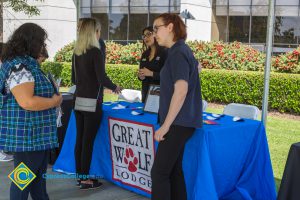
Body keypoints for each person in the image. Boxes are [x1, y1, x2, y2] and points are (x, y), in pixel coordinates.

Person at [0, 23, 62, 200]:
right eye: (41, 42)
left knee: (37, 181)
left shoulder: (25, 64)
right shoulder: (20, 67)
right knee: (22, 182)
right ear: (31, 42)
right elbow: (27, 101)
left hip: (35, 136)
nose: (43, 47)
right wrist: (54, 101)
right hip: (28, 136)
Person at [150, 13, 203, 200]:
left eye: (157, 28)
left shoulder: (179, 52)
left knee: (159, 173)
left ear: (170, 27)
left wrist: (165, 126)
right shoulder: (178, 51)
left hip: (177, 124)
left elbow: (181, 91)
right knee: (173, 171)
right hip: (180, 123)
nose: (154, 32)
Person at [72, 18, 121, 190]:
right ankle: (85, 180)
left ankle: (80, 177)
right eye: (99, 30)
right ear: (94, 32)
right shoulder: (95, 52)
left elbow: (73, 79)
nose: (100, 33)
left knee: (80, 140)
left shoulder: (76, 52)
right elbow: (102, 78)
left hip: (78, 101)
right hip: (92, 103)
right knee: (87, 142)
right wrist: (115, 87)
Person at [138, 26, 167, 102]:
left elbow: (168, 76)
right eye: (144, 36)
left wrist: (151, 73)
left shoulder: (165, 52)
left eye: (148, 34)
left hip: (160, 96)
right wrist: (141, 76)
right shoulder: (145, 54)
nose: (145, 38)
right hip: (145, 95)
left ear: (155, 34)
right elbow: (141, 73)